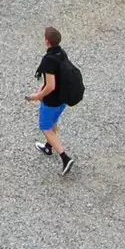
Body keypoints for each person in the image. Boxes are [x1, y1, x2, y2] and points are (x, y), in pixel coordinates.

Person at [29, 26, 79, 175]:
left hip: (52, 100)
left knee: (45, 127)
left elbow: (50, 85)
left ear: (47, 41)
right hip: (63, 98)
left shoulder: (48, 60)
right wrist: (42, 87)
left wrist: (37, 96)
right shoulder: (61, 53)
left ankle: (65, 157)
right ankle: (48, 146)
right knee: (53, 122)